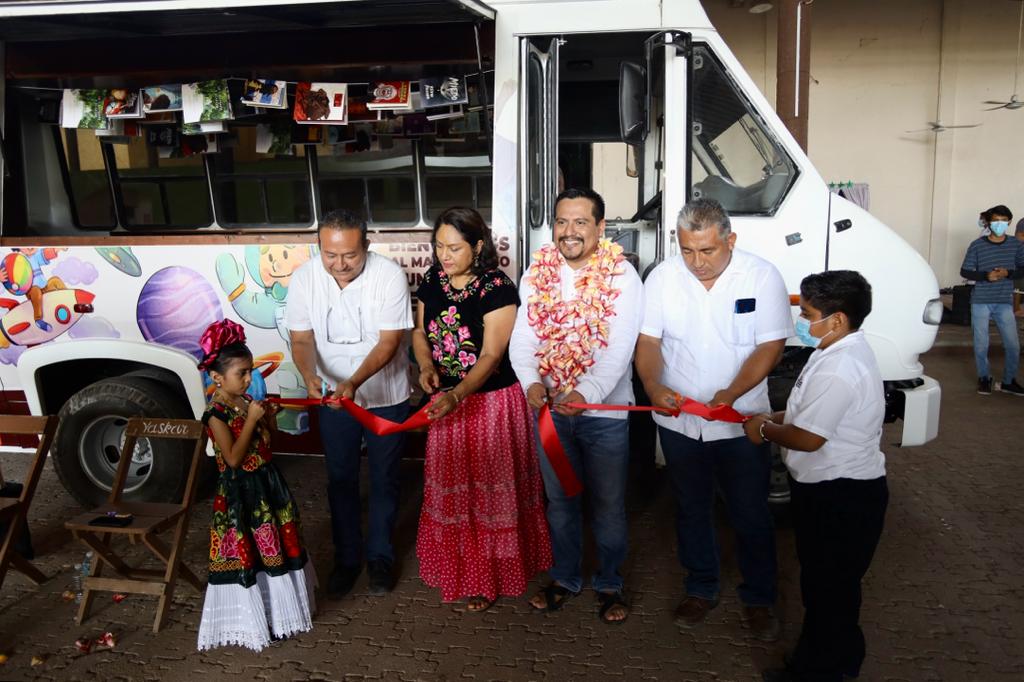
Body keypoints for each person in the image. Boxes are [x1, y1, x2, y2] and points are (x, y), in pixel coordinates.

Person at [634, 197, 789, 641]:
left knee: (749, 511)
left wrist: (731, 395)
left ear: (730, 240)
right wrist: (652, 386)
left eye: (707, 251)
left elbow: (770, 346)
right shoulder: (663, 278)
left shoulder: (761, 276)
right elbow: (649, 342)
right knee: (690, 507)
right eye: (687, 251)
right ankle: (700, 586)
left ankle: (759, 597)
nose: (696, 262)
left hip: (741, 422)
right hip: (680, 423)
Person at [743, 271, 888, 682]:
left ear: (837, 319)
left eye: (807, 314)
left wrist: (764, 430)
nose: (801, 323)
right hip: (828, 490)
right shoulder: (835, 350)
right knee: (828, 590)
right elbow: (811, 412)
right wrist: (773, 416)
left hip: (842, 496)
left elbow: (808, 438)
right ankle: (824, 663)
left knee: (830, 593)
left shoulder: (840, 366)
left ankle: (823, 672)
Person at [509, 188, 642, 624]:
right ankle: (565, 578)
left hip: (605, 416)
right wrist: (530, 381)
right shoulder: (536, 273)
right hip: (549, 414)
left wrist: (586, 392)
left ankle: (609, 582)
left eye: (580, 222)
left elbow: (619, 349)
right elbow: (524, 338)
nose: (569, 232)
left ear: (601, 228)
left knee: (608, 505)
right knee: (560, 503)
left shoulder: (623, 277)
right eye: (562, 222)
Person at [412, 207, 551, 612]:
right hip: (448, 404)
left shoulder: (496, 288)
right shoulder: (433, 280)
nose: (444, 255)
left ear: (477, 245)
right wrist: (425, 366)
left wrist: (459, 395)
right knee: (457, 494)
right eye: (439, 246)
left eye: (454, 247)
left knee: (490, 497)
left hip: (490, 405)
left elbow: (491, 355)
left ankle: (489, 579)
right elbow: (420, 332)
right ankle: (460, 569)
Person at [286, 209, 413, 598]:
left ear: (367, 247)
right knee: (340, 480)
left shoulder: (389, 275)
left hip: (385, 397)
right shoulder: (305, 278)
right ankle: (346, 559)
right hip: (332, 399)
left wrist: (354, 382)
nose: (339, 264)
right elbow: (302, 339)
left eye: (350, 255)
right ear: (319, 248)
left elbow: (389, 342)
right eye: (330, 255)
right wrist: (309, 377)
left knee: (384, 479)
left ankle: (380, 559)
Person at [196, 319, 315, 651]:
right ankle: (255, 618)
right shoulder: (216, 414)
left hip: (268, 485)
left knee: (275, 549)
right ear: (217, 377)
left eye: (250, 371)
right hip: (242, 493)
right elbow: (233, 459)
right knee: (253, 554)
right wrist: (250, 421)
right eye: (242, 373)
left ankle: (280, 613)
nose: (250, 379)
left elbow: (266, 444)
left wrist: (268, 419)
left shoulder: (246, 401)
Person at [959, 204, 1024, 396]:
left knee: (1013, 345)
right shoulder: (977, 245)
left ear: (1010, 222)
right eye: (996, 220)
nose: (1000, 224)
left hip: (1004, 301)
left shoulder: (1016, 245)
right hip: (981, 301)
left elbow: (1023, 268)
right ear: (988, 222)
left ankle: (1008, 381)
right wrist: (986, 276)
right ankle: (984, 378)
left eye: (1004, 221)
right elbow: (965, 270)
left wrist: (1008, 272)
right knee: (981, 344)